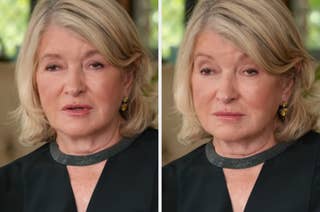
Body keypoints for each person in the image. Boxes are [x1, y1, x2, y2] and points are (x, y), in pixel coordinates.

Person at [0, 0, 158, 211]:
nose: (74, 87)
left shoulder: (171, 176)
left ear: (127, 78)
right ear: (34, 80)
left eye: (95, 65)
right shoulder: (8, 187)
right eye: (54, 67)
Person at [163, 0, 320, 211]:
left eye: (249, 71)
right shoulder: (166, 186)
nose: (226, 94)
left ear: (287, 82)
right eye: (208, 70)